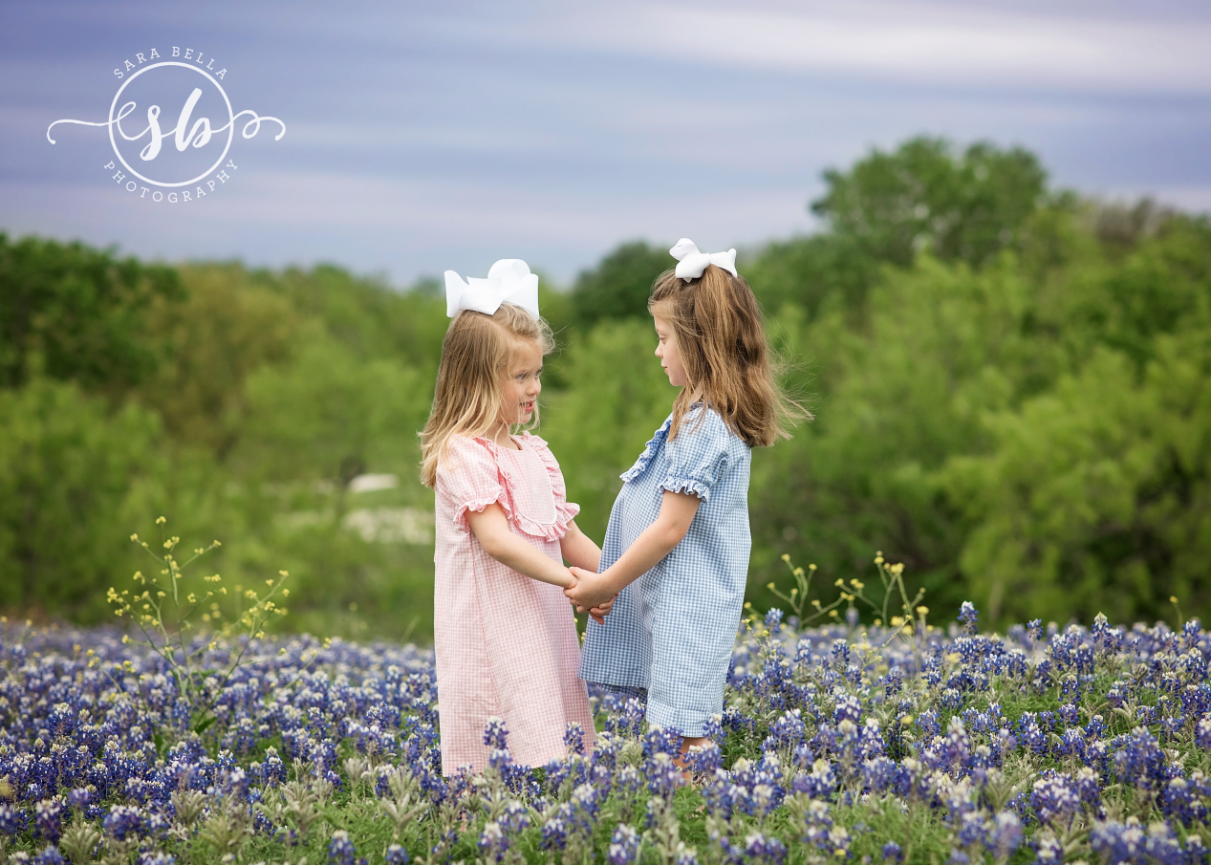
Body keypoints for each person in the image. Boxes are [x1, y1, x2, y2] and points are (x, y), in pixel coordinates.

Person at [565, 239, 809, 757]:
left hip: (687, 612)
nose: (657, 351)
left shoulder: (705, 425)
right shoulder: (698, 414)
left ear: (698, 343)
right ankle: (687, 819)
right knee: (673, 728)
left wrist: (607, 582)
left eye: (663, 339)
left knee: (681, 735)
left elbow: (670, 527)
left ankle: (694, 823)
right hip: (674, 604)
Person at [420, 258, 608, 774]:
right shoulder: (462, 453)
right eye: (520, 376)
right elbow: (498, 541)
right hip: (493, 629)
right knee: (495, 747)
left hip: (543, 621)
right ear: (476, 380)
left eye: (538, 374)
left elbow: (568, 534)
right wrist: (574, 582)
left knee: (554, 742)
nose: (534, 387)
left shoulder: (534, 454)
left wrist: (618, 576)